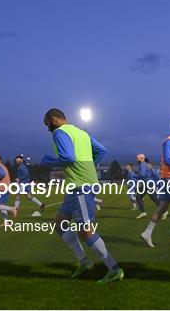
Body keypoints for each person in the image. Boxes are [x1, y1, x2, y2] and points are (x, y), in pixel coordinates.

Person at [41, 108, 123, 283]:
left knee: (85, 231)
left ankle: (114, 268)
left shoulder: (59, 132)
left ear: (54, 119)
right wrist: (87, 166)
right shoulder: (81, 133)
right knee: (59, 224)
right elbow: (101, 150)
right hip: (75, 187)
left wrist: (50, 161)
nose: (48, 128)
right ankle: (84, 261)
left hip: (81, 187)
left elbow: (68, 158)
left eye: (47, 124)